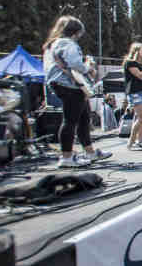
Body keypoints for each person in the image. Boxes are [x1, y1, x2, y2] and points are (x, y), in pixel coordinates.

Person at [41, 15, 112, 167]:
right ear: (76, 32)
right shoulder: (68, 43)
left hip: (59, 84)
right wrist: (89, 67)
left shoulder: (51, 45)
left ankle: (90, 152)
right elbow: (75, 64)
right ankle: (66, 157)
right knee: (70, 121)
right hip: (70, 85)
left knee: (84, 119)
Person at [122, 42, 142, 150]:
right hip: (135, 92)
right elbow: (140, 76)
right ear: (136, 51)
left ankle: (139, 142)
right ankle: (130, 142)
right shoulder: (130, 63)